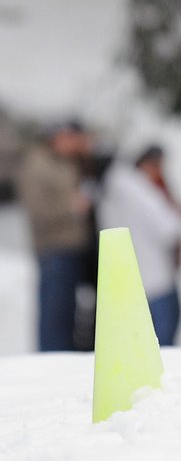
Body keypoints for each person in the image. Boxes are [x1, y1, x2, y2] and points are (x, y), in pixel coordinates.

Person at [16, 119, 97, 351]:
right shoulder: (36, 165)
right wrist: (72, 207)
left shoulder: (69, 163)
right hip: (54, 250)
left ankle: (65, 359)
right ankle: (52, 364)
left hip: (74, 248)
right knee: (55, 315)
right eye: (70, 138)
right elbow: (38, 212)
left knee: (70, 313)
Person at [97, 145, 181, 346]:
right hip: (156, 279)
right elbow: (168, 226)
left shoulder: (107, 190)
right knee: (164, 343)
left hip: (128, 280)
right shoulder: (135, 187)